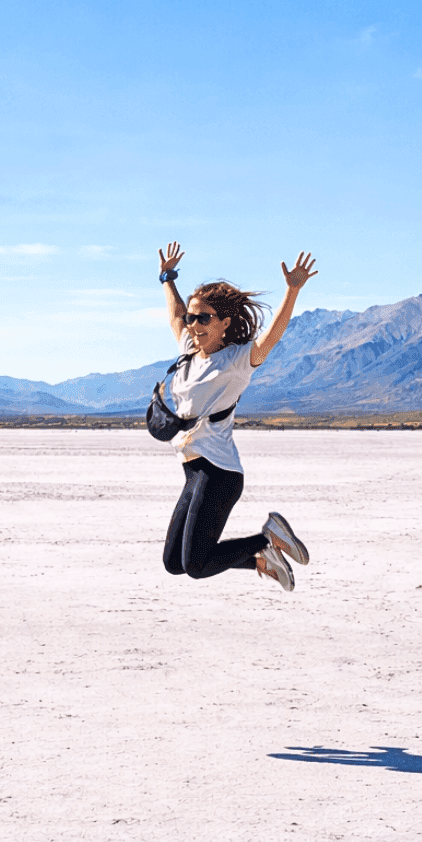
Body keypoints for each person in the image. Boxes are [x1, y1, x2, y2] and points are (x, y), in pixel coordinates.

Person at [158, 241, 317, 592]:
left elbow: (271, 338)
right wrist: (168, 278)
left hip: (219, 472)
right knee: (175, 564)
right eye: (193, 318)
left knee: (197, 565)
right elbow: (175, 314)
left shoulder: (236, 361)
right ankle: (261, 558)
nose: (194, 324)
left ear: (225, 323)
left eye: (204, 318)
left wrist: (292, 291)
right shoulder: (188, 350)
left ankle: (266, 539)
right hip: (193, 470)